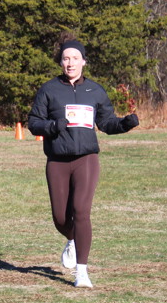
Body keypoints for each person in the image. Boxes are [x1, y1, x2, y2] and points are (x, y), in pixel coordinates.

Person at [27, 37, 139, 288]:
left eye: (75, 58)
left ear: (84, 61)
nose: (70, 63)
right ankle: (72, 240)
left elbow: (107, 122)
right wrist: (53, 126)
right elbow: (34, 122)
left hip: (86, 159)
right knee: (60, 218)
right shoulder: (49, 90)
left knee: (81, 211)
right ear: (60, 62)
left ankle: (82, 272)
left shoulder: (95, 91)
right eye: (66, 58)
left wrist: (124, 124)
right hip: (57, 160)